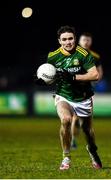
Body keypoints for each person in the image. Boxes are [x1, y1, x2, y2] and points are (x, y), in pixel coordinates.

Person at [38, 25, 102, 170]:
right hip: (64, 95)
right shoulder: (53, 56)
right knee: (66, 120)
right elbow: (51, 75)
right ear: (59, 41)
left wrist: (73, 77)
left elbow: (95, 75)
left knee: (87, 131)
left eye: (71, 38)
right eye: (64, 39)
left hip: (83, 97)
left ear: (75, 38)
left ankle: (91, 150)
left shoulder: (83, 54)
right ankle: (66, 157)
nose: (68, 42)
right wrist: (43, 80)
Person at [71, 32, 104, 149]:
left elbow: (99, 73)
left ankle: (89, 143)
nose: (86, 42)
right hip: (74, 89)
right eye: (84, 40)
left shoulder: (95, 56)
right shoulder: (73, 53)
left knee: (87, 119)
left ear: (91, 42)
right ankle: (73, 140)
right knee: (74, 117)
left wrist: (96, 79)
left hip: (87, 90)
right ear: (79, 41)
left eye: (88, 40)